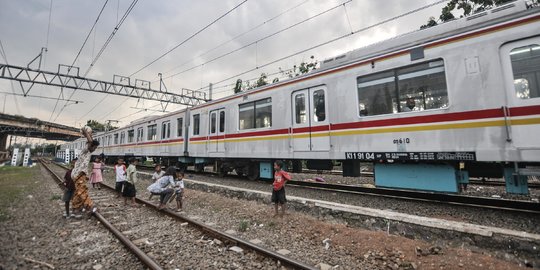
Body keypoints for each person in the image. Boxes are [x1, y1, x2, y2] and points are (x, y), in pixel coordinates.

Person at [70, 127, 99, 214]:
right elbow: (90, 142)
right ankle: (90, 206)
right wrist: (86, 132)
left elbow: (91, 142)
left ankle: (76, 208)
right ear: (91, 146)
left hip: (78, 173)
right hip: (79, 173)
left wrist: (90, 135)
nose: (95, 149)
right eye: (95, 147)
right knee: (82, 190)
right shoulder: (85, 150)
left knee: (77, 191)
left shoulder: (87, 151)